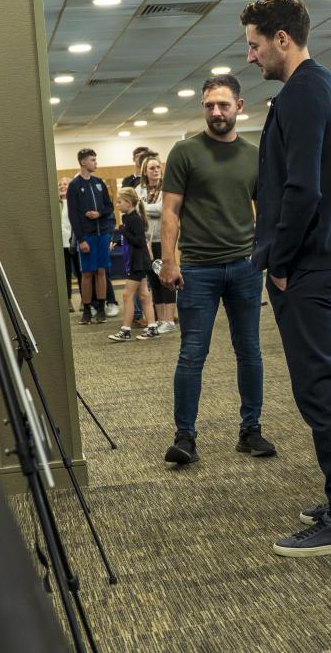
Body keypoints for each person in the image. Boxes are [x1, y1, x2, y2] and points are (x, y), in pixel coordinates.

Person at [246, 0, 331, 558]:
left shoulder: (300, 94)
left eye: (254, 45)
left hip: (310, 266)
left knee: (319, 389)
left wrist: (279, 262)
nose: (251, 57)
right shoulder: (330, 88)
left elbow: (302, 190)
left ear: (281, 38)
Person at [160, 73, 273, 466]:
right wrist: (169, 260)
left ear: (239, 107)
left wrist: (266, 256)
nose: (216, 111)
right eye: (209, 105)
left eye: (223, 104)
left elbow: (270, 212)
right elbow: (171, 212)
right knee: (192, 354)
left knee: (250, 352)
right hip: (197, 271)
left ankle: (251, 430)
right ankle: (185, 437)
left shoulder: (254, 154)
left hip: (244, 268)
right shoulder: (185, 152)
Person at [65, 148, 114, 325]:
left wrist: (99, 214)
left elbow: (109, 208)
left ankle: (101, 308)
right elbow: (73, 215)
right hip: (87, 236)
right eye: (93, 160)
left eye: (95, 159)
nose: (96, 163)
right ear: (83, 162)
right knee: (87, 274)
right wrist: (81, 239)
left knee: (101, 272)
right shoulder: (74, 185)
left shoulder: (99, 183)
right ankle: (86, 309)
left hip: (102, 235)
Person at [107, 189, 158, 342]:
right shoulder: (128, 217)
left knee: (127, 295)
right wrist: (117, 240)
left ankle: (125, 330)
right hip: (137, 261)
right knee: (143, 295)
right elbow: (130, 238)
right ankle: (152, 327)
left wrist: (123, 231)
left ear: (128, 203)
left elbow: (139, 242)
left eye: (119, 202)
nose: (117, 205)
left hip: (138, 262)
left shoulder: (134, 219)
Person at [137, 154, 176, 335]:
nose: (156, 171)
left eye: (158, 167)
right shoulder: (140, 190)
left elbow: (162, 209)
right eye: (151, 168)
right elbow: (135, 210)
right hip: (146, 241)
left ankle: (169, 319)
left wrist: (144, 207)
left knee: (166, 279)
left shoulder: (167, 189)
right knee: (154, 280)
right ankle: (160, 319)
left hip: (163, 239)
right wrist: (144, 208)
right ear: (145, 171)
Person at [59, 178, 79, 312]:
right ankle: (67, 301)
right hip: (61, 244)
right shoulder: (56, 204)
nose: (62, 186)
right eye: (59, 184)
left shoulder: (75, 202)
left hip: (75, 242)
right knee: (65, 274)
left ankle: (85, 300)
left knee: (80, 273)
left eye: (65, 184)